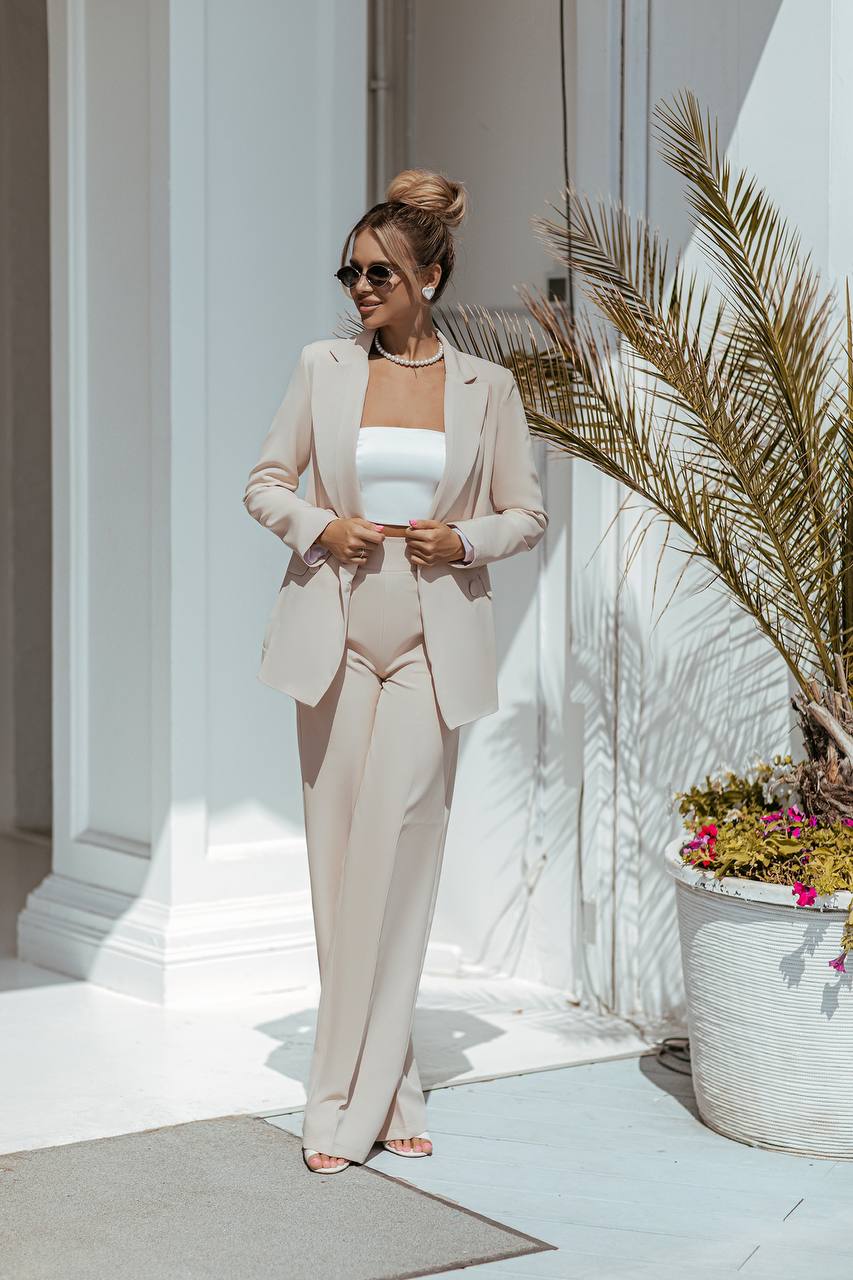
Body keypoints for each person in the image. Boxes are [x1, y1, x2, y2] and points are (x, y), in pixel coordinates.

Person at [242, 168, 548, 1173]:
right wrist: (323, 523)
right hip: (331, 640)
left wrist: (462, 542)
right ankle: (396, 1083)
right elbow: (265, 481)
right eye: (351, 270)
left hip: (429, 646)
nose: (360, 286)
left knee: (392, 863)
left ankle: (335, 1104)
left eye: (379, 271)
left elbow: (524, 513)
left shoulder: (485, 389)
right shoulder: (323, 367)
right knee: (338, 876)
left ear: (431, 276)